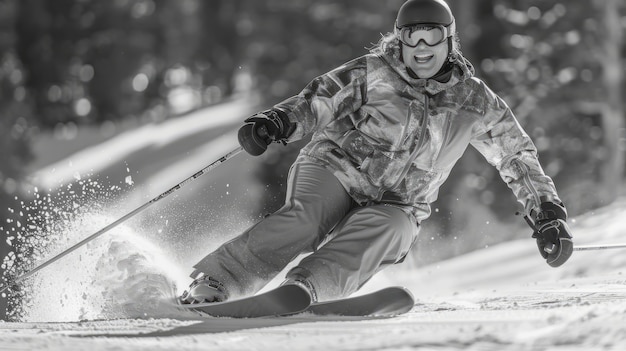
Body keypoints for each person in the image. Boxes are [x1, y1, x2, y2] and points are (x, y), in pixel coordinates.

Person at [179, 0, 574, 305]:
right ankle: (217, 280)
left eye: (432, 36)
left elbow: (515, 155)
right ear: (399, 39)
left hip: (399, 204)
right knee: (306, 219)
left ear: (450, 40)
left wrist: (547, 213)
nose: (421, 48)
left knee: (392, 229)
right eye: (412, 37)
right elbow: (320, 100)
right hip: (334, 170)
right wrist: (277, 121)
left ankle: (305, 289)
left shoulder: (474, 100)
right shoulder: (373, 72)